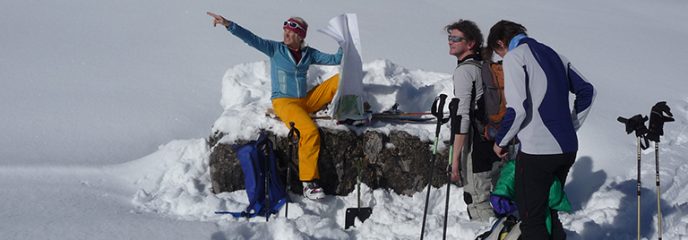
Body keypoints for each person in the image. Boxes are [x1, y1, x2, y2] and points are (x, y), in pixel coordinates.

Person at [207, 12, 343, 200]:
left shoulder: (308, 54)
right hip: (285, 103)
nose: (285, 34)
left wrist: (345, 44)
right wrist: (229, 25)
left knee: (339, 79)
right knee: (309, 131)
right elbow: (252, 39)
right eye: (285, 30)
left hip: (304, 101)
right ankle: (309, 183)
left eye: (290, 32)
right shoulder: (275, 49)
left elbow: (335, 60)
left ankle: (349, 108)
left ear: (300, 36)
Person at [489, 20, 596, 239]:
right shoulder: (554, 54)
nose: (501, 58)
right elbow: (587, 91)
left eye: (498, 53)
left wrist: (500, 141)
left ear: (501, 43)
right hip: (566, 148)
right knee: (549, 210)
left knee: (533, 218)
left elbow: (517, 109)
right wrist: (570, 126)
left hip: (538, 152)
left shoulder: (515, 57)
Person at [445, 19, 500, 222]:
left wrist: (455, 160)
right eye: (450, 37)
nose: (450, 42)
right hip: (495, 142)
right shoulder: (483, 66)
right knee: (498, 199)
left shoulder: (464, 71)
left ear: (471, 43)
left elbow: (463, 117)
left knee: (478, 201)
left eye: (456, 38)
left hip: (476, 148)